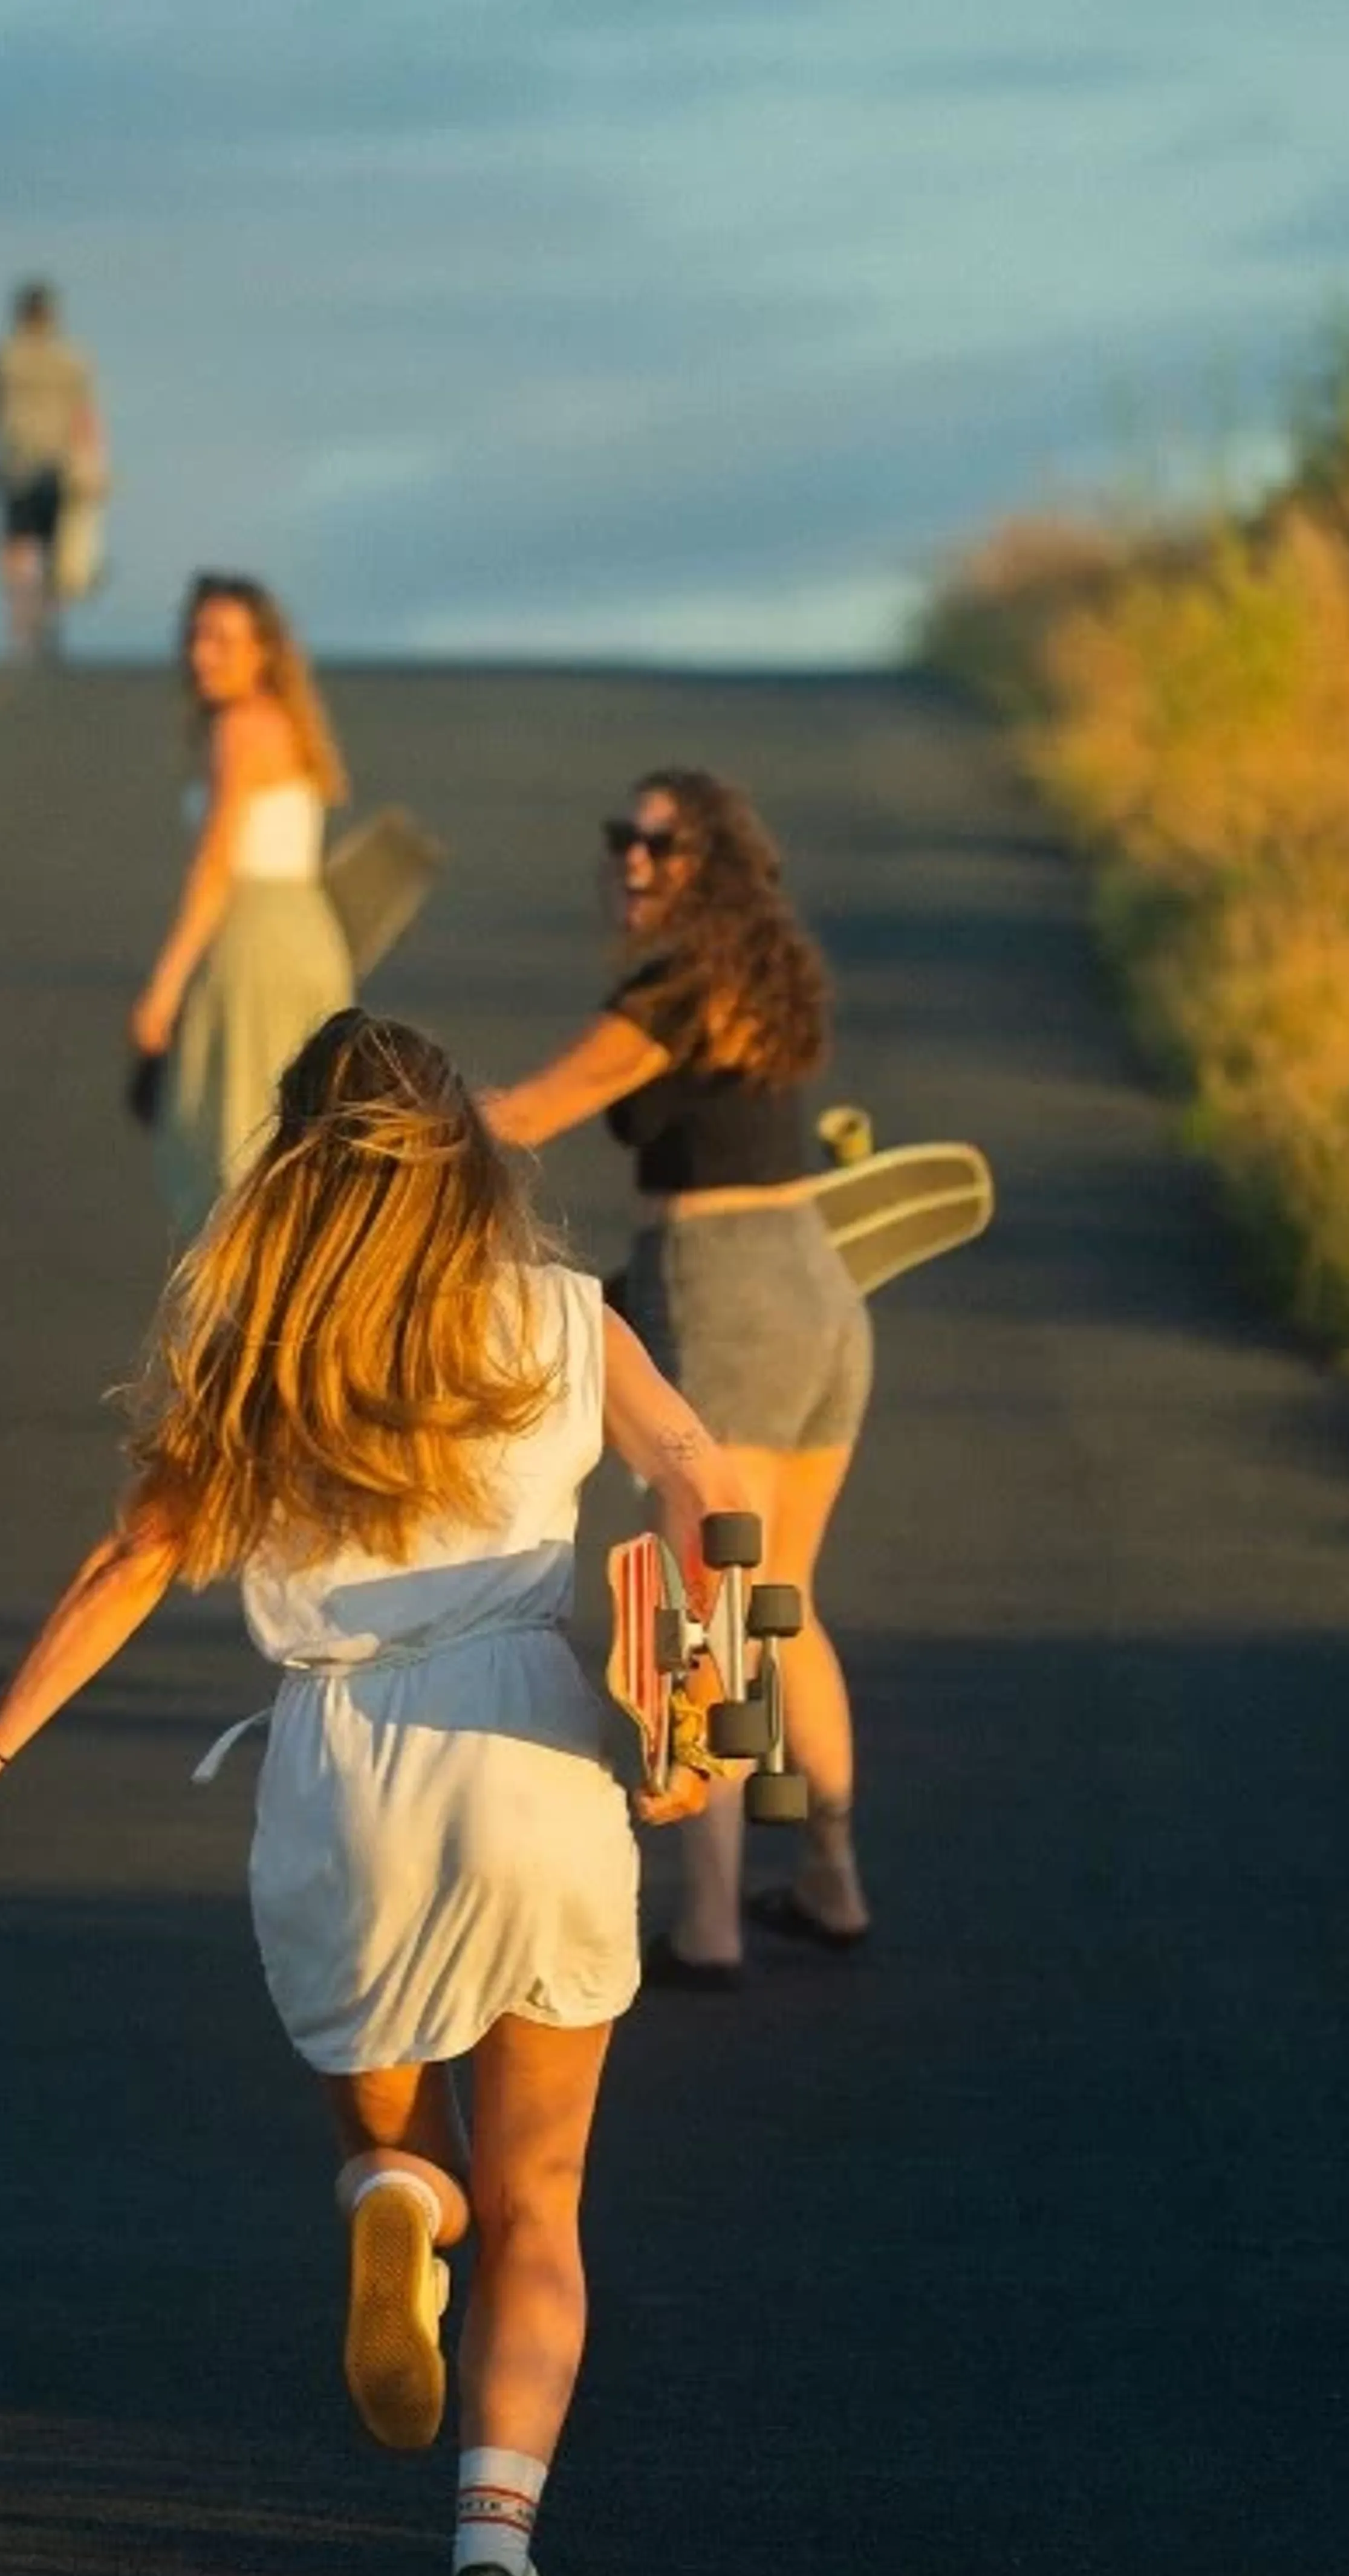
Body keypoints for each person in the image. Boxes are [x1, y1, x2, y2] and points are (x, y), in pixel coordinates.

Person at [0, 1011, 750, 2576]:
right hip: (533, 1755)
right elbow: (698, 1479)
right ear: (466, 1162)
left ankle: (391, 2206)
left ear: (291, 1170)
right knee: (544, 2204)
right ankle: (497, 2555)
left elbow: (128, 1562)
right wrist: (707, 1660)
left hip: (345, 1774)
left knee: (404, 2149)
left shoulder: (263, 1355)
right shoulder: (565, 1321)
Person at [481, 769, 873, 1985]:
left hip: (721, 1286)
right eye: (627, 839)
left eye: (667, 842)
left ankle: (708, 1919)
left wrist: (381, 1124)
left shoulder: (671, 995)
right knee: (781, 1597)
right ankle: (830, 1874)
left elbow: (529, 1114)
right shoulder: (766, 981)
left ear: (719, 862)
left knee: (701, 1609)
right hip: (817, 1285)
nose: (639, 860)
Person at [131, 575, 354, 1245]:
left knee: (234, 1132)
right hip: (308, 930)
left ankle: (249, 1313)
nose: (204, 653)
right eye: (198, 636)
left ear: (265, 650)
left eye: (224, 639)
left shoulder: (241, 726)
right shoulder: (284, 724)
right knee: (294, 1129)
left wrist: (164, 987)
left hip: (254, 938)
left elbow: (218, 860)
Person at [0, 279, 101, 662]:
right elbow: (86, 418)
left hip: (19, 464)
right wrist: (93, 465)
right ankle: (41, 618)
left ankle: (26, 620)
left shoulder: (0, 359)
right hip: (54, 464)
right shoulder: (71, 359)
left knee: (22, 546)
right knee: (50, 546)